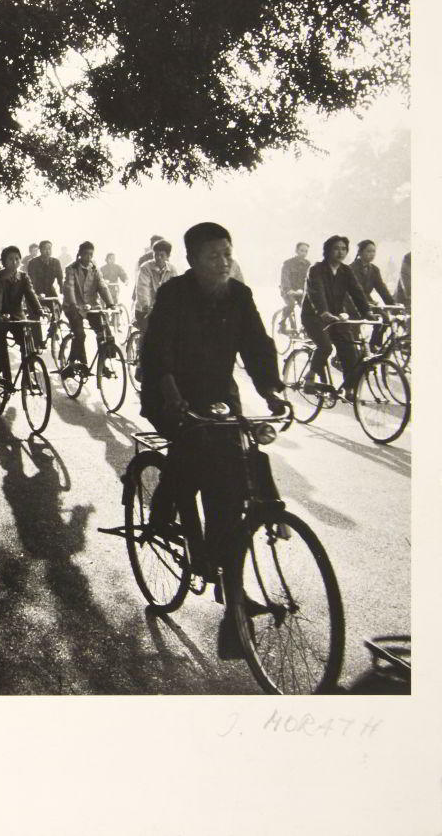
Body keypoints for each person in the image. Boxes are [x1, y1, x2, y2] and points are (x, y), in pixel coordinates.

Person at [139, 221, 287, 657]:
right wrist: (173, 396)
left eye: (227, 253)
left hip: (220, 397)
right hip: (171, 393)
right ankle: (164, 511)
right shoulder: (174, 295)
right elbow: (157, 351)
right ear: (192, 261)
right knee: (195, 458)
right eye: (213, 256)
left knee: (233, 489)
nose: (223, 262)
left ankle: (232, 598)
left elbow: (257, 346)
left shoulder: (238, 295)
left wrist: (271, 389)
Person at [300, 235, 371, 399]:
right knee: (325, 346)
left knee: (349, 351)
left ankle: (349, 389)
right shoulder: (316, 269)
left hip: (336, 317)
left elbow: (357, 292)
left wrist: (367, 312)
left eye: (344, 249)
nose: (341, 252)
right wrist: (323, 312)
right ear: (328, 251)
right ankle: (310, 376)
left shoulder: (346, 271)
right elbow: (316, 292)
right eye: (336, 248)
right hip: (314, 316)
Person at [0, 246, 43, 394]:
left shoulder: (23, 277)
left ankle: (28, 376)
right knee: (1, 351)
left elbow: (30, 294)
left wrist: (39, 310)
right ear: (4, 261)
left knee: (27, 343)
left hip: (17, 315)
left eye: (17, 258)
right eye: (10, 259)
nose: (14, 261)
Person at [62, 241, 117, 371]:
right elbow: (69, 287)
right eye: (85, 254)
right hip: (73, 306)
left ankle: (104, 363)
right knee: (80, 334)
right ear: (80, 254)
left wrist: (110, 303)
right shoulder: (71, 269)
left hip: (92, 306)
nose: (88, 257)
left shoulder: (95, 269)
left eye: (91, 254)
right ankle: (76, 363)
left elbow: (102, 286)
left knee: (105, 333)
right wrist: (74, 304)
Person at [348, 239, 395, 348]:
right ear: (360, 252)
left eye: (373, 251)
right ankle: (348, 354)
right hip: (351, 302)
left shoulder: (374, 270)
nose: (372, 254)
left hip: (368, 302)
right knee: (355, 328)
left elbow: (381, 288)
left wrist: (392, 303)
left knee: (385, 319)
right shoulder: (351, 269)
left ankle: (374, 345)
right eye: (368, 251)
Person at [133, 239, 177, 330]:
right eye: (156, 254)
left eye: (162, 255)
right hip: (144, 310)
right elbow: (142, 288)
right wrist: (146, 306)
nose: (158, 257)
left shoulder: (172, 269)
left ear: (168, 256)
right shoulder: (145, 268)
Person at [278, 242, 311, 333]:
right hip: (287, 291)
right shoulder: (288, 263)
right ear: (296, 251)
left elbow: (309, 280)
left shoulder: (308, 264)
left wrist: (305, 290)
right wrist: (288, 289)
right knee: (291, 304)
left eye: (306, 251)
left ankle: (306, 327)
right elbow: (284, 278)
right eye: (301, 250)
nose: (303, 253)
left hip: (301, 292)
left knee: (308, 307)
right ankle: (282, 324)